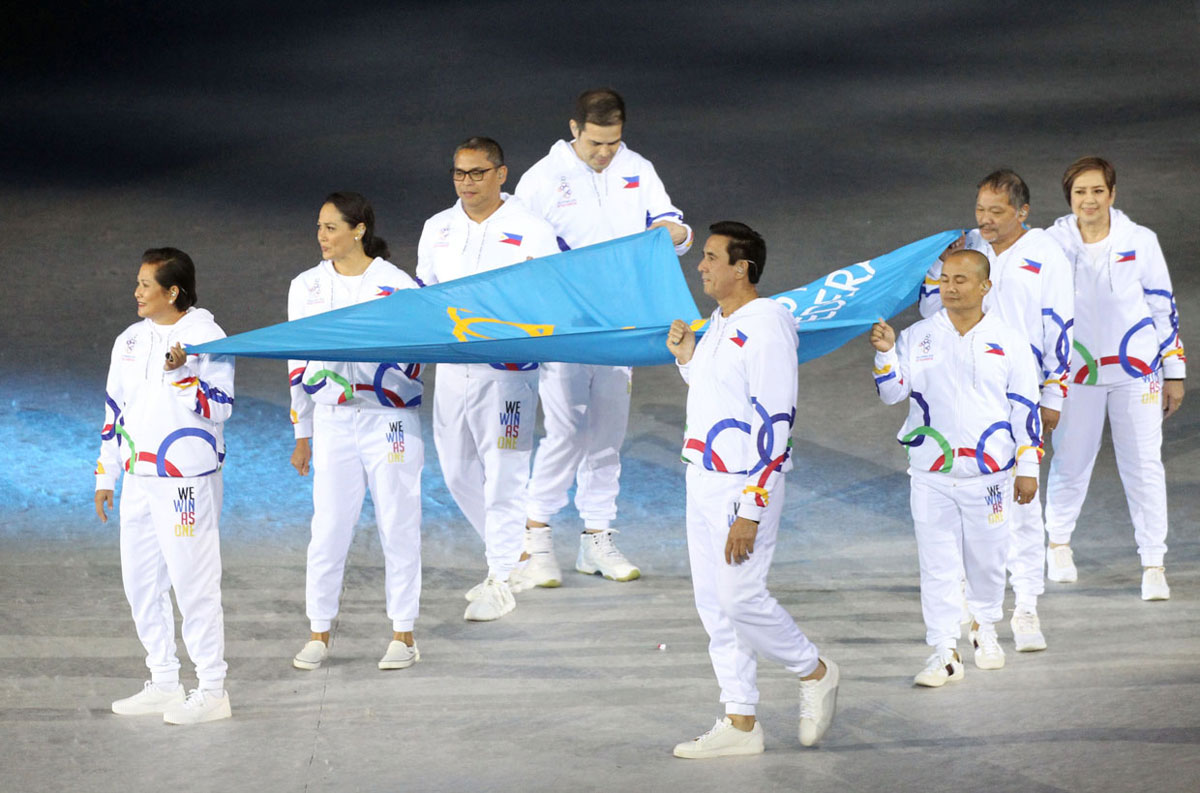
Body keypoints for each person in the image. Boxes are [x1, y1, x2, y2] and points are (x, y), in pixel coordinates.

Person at [665, 222, 838, 758]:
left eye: (713, 257)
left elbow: (774, 419)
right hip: (702, 477)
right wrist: (689, 357)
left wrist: (752, 506)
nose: (702, 265)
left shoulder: (767, 325)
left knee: (740, 598)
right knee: (714, 605)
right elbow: (722, 397)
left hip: (744, 485)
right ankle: (740, 723)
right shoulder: (719, 322)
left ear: (743, 268)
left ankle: (814, 669)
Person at [515, 88, 694, 586]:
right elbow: (519, 247)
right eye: (596, 142)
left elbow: (673, 224)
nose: (605, 153)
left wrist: (669, 235)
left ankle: (597, 539)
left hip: (622, 321)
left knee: (608, 434)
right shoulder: (541, 178)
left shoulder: (638, 167)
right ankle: (536, 542)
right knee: (567, 431)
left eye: (613, 143)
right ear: (574, 129)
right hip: (565, 326)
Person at [919, 169, 1073, 653]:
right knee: (965, 496)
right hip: (964, 388)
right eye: (980, 209)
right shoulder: (967, 249)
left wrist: (1054, 394)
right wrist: (935, 271)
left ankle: (1025, 606)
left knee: (1021, 502)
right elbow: (931, 311)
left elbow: (1060, 324)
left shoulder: (1046, 253)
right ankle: (972, 606)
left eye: (996, 212)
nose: (984, 220)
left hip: (1020, 390)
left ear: (1022, 213)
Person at [873, 249, 1043, 686]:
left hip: (990, 476)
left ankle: (984, 628)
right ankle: (942, 650)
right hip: (931, 473)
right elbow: (893, 394)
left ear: (985, 286)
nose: (949, 287)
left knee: (987, 560)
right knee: (937, 564)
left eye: (960, 280)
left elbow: (1024, 407)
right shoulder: (917, 336)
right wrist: (887, 355)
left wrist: (1028, 466)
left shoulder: (1009, 340)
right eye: (945, 279)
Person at [416, 137, 559, 622]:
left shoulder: (533, 231)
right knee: (456, 471)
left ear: (501, 174)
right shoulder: (437, 228)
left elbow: (549, 299)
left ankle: (499, 578)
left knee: (505, 476)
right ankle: (519, 555)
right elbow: (425, 295)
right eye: (459, 173)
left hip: (509, 377)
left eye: (477, 173)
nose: (467, 183)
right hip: (455, 370)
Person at [95, 247, 235, 725]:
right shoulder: (130, 340)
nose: (136, 292)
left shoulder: (206, 336)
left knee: (194, 586)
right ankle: (164, 681)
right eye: (136, 283)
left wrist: (181, 376)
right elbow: (115, 409)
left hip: (185, 481)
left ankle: (212, 689)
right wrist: (106, 472)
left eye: (145, 285)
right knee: (141, 584)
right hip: (138, 477)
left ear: (173, 291)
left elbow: (220, 408)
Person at [288, 192, 425, 671]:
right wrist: (302, 429)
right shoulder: (304, 286)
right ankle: (318, 633)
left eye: (331, 227)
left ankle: (403, 635)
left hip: (389, 418)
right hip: (332, 422)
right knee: (327, 528)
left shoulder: (397, 286)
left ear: (359, 229)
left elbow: (415, 353)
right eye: (319, 227)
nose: (322, 236)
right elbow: (297, 358)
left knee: (397, 521)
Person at [1043, 157, 1186, 600]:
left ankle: (1153, 562)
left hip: (1137, 373)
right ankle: (1058, 544)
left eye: (1098, 191)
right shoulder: (1049, 243)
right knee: (1071, 460)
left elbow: (1163, 305)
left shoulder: (1140, 241)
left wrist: (1174, 371)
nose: (1089, 200)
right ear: (1070, 198)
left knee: (1144, 466)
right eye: (1081, 192)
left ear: (1112, 194)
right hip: (1077, 375)